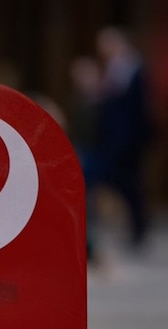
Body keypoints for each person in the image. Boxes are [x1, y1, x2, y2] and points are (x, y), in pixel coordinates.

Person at [95, 26, 153, 252]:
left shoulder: (131, 68)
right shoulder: (112, 68)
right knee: (120, 180)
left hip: (129, 138)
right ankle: (135, 225)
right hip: (114, 138)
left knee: (130, 182)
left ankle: (140, 226)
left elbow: (137, 107)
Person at [67, 56, 104, 265]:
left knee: (90, 203)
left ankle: (90, 245)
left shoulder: (102, 103)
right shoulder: (77, 101)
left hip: (94, 155)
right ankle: (85, 245)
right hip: (81, 153)